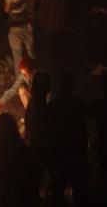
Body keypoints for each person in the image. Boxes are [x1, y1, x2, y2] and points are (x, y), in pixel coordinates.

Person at [48, 72, 89, 207]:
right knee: (79, 189)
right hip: (76, 152)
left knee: (59, 189)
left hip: (60, 153)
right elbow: (89, 114)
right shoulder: (77, 102)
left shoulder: (53, 105)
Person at [35, 0, 67, 86]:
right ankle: (56, 78)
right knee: (56, 54)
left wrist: (41, 22)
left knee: (48, 56)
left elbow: (43, 8)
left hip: (48, 26)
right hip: (58, 26)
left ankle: (50, 81)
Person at [5, 0, 35, 74]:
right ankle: (33, 78)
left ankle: (20, 82)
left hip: (15, 25)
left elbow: (6, 9)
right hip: (29, 25)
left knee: (17, 55)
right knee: (30, 54)